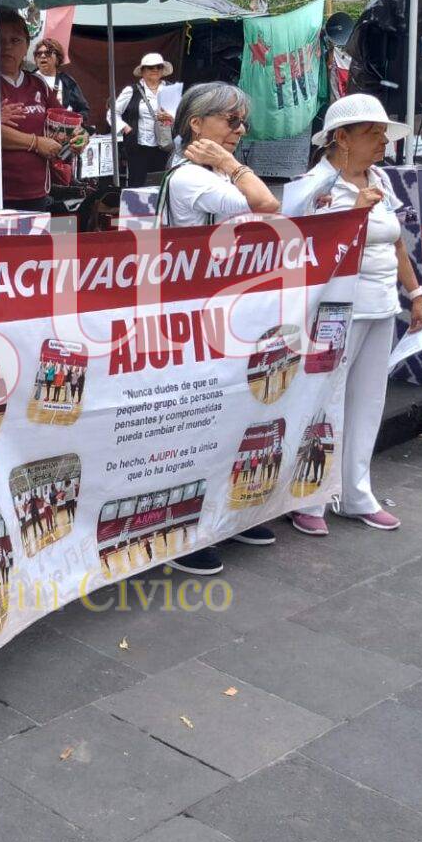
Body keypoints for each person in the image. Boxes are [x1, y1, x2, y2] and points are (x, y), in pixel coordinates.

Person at [288, 95, 422, 534]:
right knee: (323, 402)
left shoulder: (379, 178)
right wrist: (354, 211)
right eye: (374, 133)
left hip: (381, 306)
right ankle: (308, 497)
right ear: (341, 139)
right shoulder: (312, 186)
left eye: (384, 133)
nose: (383, 141)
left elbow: (396, 242)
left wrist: (417, 294)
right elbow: (308, 248)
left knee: (368, 402)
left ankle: (355, 493)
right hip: (334, 311)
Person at [156, 82, 279, 574]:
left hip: (216, 311)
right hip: (191, 316)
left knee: (225, 418)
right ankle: (182, 532)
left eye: (242, 121)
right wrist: (234, 166)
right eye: (231, 120)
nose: (240, 130)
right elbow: (265, 203)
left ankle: (222, 515)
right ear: (196, 126)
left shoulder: (202, 175)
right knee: (193, 428)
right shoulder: (191, 178)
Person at [0, 10, 67, 212]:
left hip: (36, 192)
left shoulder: (38, 84)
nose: (7, 47)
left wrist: (75, 137)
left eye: (15, 40)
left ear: (27, 46)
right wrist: (36, 143)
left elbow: (60, 121)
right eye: (0, 40)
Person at [115, 52, 181, 187]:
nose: (155, 70)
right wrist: (125, 128)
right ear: (143, 71)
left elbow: (182, 115)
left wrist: (171, 118)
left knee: (160, 184)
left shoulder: (170, 89)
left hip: (164, 146)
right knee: (138, 184)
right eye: (151, 67)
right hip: (139, 146)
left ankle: (158, 208)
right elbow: (113, 113)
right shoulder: (131, 91)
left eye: (159, 67)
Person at [33, 37, 92, 121]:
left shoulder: (67, 81)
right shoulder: (28, 79)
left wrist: (70, 120)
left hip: (60, 131)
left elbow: (83, 110)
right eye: (38, 53)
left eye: (48, 53)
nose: (42, 56)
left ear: (57, 58)